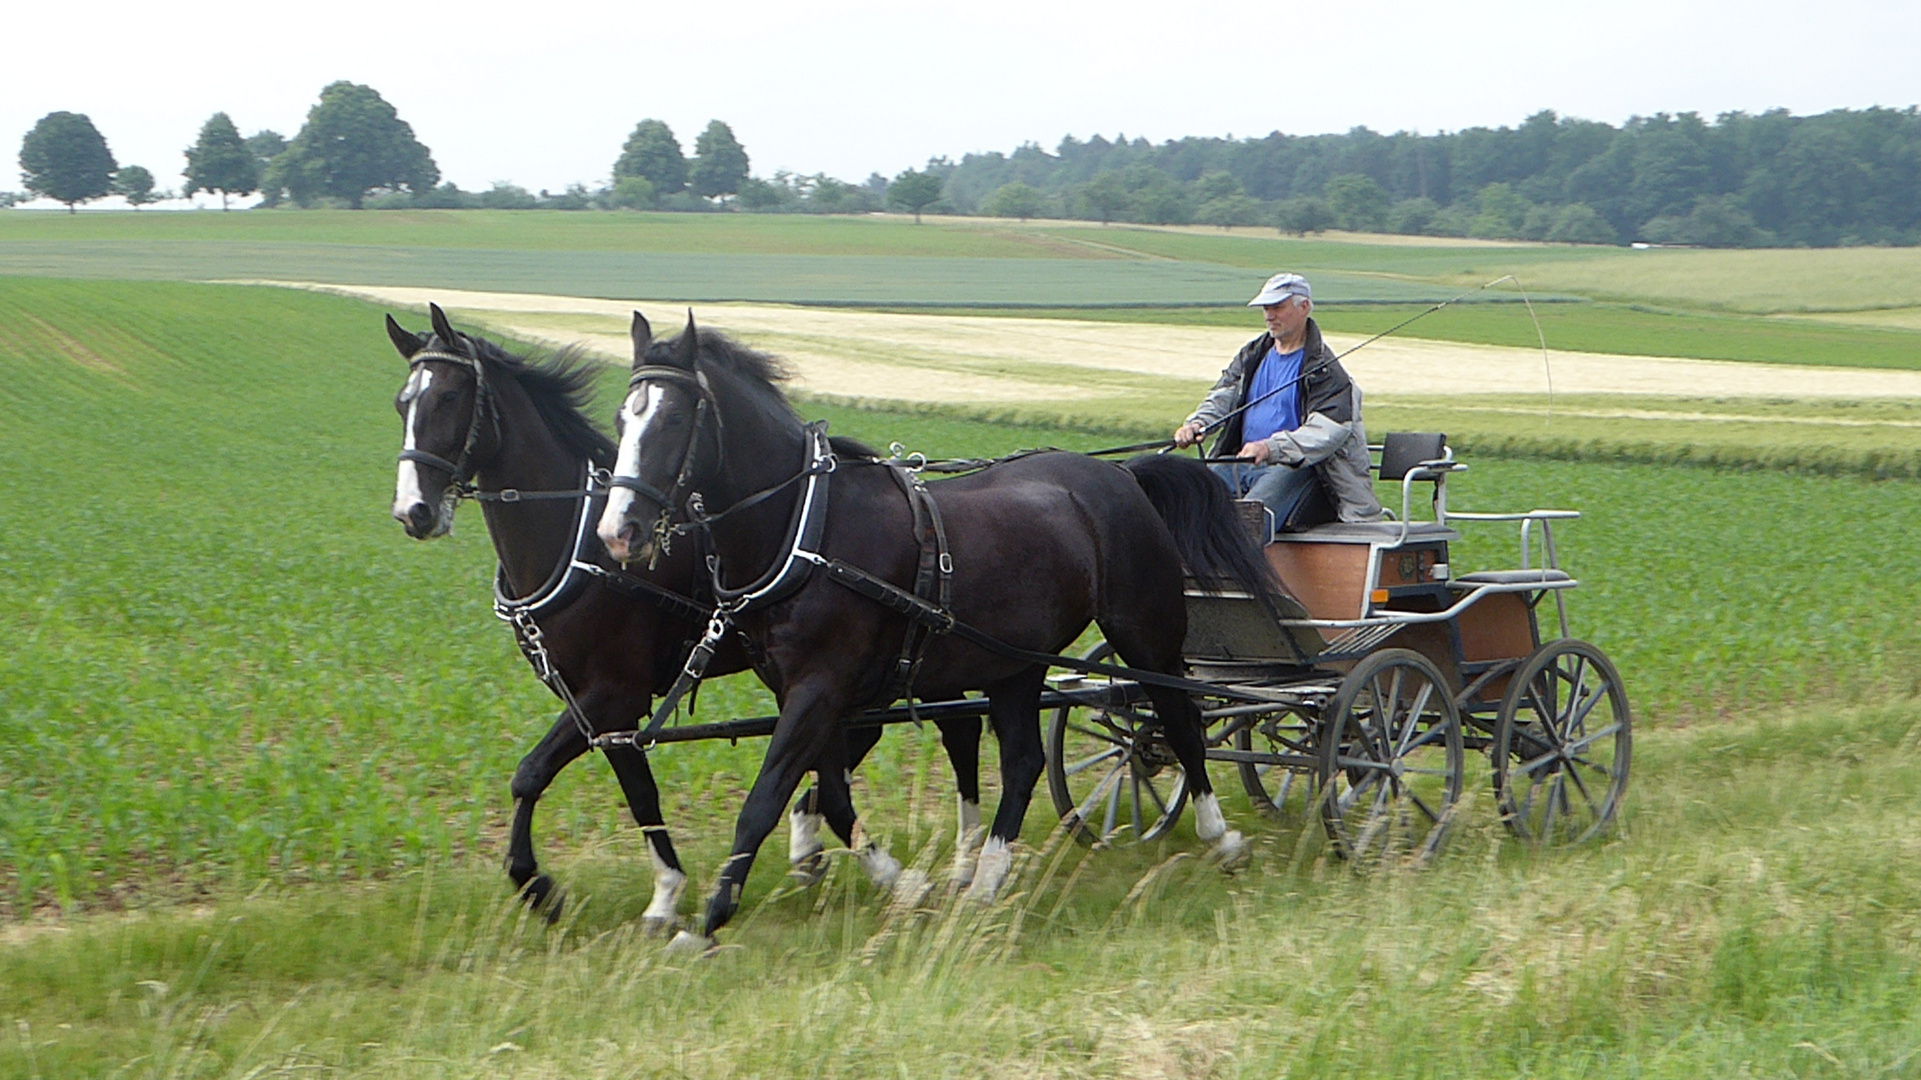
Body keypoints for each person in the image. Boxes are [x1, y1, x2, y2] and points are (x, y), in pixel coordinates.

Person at [1173, 272, 1382, 533]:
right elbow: (1224, 394)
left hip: (1300, 471)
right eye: (1266, 308)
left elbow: (1328, 433)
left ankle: (1235, 570)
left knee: (1248, 519)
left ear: (1303, 307)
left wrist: (1271, 448)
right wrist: (1197, 423)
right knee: (1185, 500)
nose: (1269, 315)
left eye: (1278, 307)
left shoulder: (1326, 371)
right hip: (1240, 463)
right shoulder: (1252, 354)